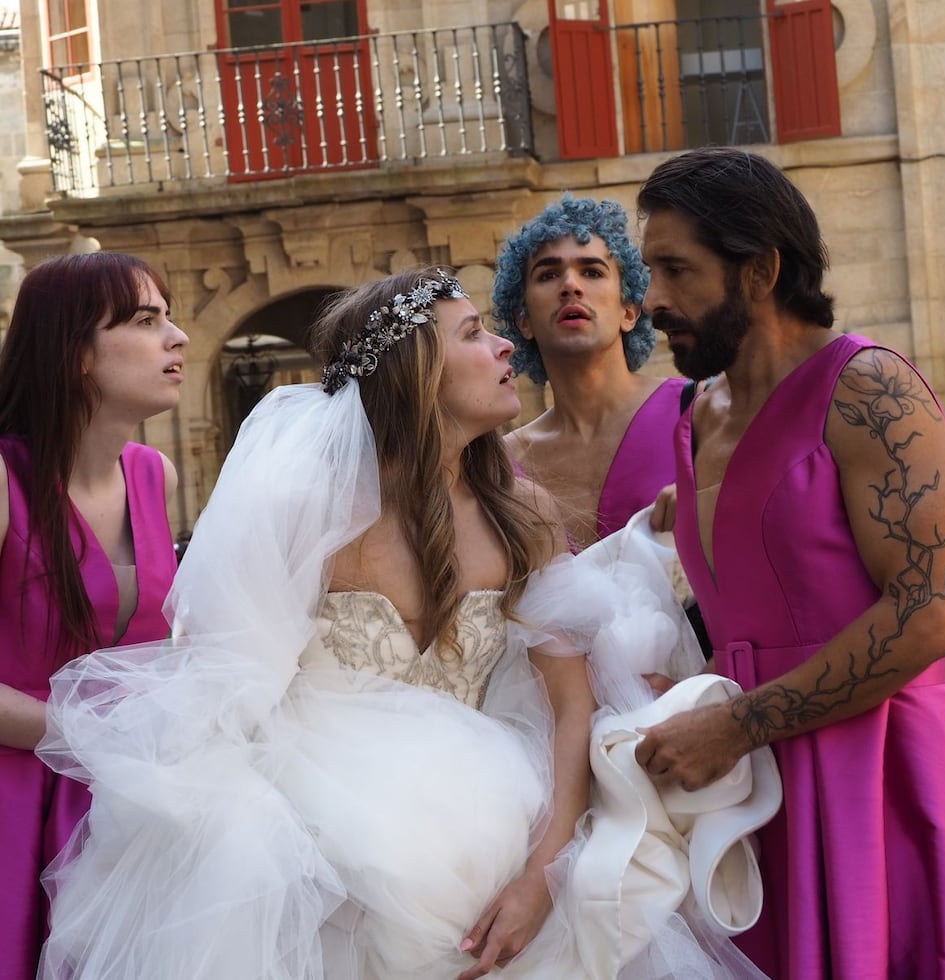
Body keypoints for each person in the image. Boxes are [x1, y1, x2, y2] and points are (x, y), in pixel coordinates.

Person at [36, 267, 781, 979]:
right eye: (473, 333)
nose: (505, 347)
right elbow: (227, 696)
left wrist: (543, 875)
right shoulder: (306, 515)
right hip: (319, 845)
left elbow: (569, 706)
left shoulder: (521, 515)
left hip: (500, 821)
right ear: (417, 371)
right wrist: (288, 858)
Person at [632, 147, 945, 980]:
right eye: (650, 272)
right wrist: (696, 689)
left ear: (760, 270)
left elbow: (930, 616)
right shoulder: (692, 417)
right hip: (747, 796)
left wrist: (736, 724)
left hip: (881, 778)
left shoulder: (871, 389)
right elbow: (763, 618)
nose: (652, 302)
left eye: (676, 269)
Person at [0, 252, 187, 979]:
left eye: (169, 318)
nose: (177, 337)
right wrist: (94, 737)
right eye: (145, 320)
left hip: (134, 809)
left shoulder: (154, 475)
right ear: (77, 352)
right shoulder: (5, 480)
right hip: (17, 801)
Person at [493, 195, 686, 550]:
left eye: (592, 272)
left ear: (629, 311)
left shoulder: (698, 411)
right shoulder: (500, 466)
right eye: (548, 274)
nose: (570, 286)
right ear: (523, 321)